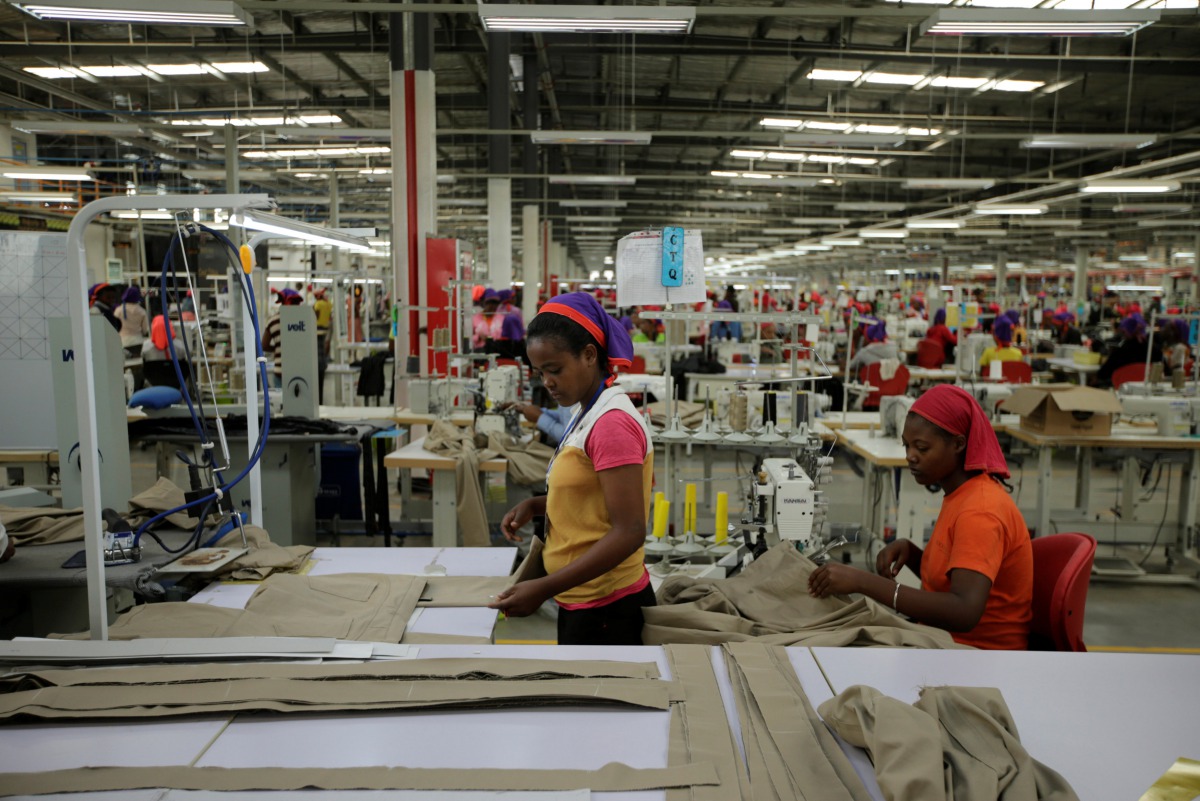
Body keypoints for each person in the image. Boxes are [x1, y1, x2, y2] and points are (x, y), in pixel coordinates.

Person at [809, 384, 1033, 650]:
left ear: (958, 444)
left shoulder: (980, 511)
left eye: (922, 448)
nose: (910, 457)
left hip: (978, 655)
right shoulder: (963, 494)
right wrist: (914, 555)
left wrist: (863, 581)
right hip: (944, 640)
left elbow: (964, 612)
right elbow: (955, 576)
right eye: (906, 446)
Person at [490, 292, 655, 646]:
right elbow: (591, 494)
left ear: (589, 355)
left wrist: (543, 587)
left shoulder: (610, 424)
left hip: (608, 609)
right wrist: (537, 505)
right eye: (540, 373)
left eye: (555, 370)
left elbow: (630, 531)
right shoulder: (586, 410)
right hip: (583, 598)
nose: (546, 382)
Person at [1094, 313, 1162, 387]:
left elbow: (1102, 374)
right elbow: (1166, 372)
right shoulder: (1155, 351)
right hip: (1147, 390)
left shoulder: (1120, 352)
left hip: (1122, 391)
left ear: (1125, 331)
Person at [262, 288, 303, 384]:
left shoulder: (273, 321)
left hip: (280, 371)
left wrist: (278, 348)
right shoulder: (302, 320)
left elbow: (264, 345)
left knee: (280, 399)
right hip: (300, 372)